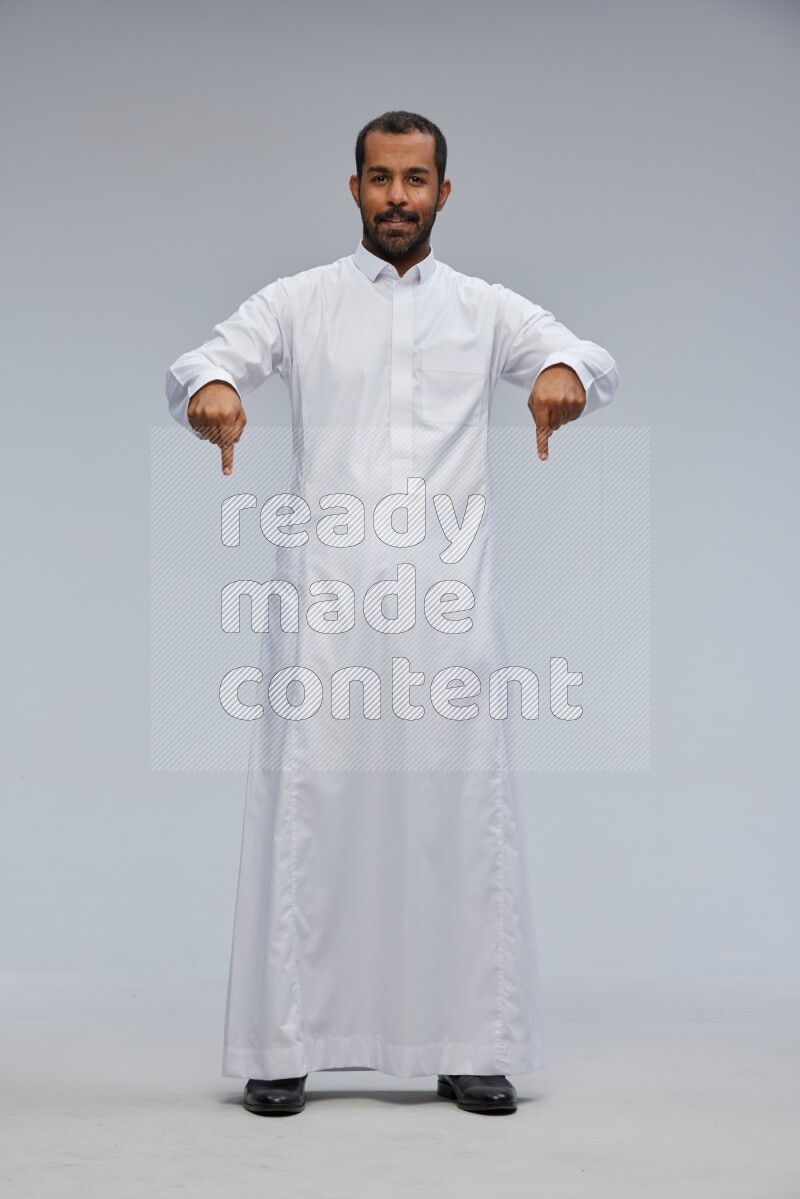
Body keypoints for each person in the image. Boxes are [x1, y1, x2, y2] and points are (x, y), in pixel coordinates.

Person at [165, 110, 619, 1117]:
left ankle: (469, 1043)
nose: (398, 196)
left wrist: (562, 376)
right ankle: (284, 1044)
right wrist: (210, 392)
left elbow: (587, 357)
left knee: (460, 810)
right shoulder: (301, 302)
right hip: (325, 601)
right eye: (380, 178)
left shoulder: (483, 309)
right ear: (355, 188)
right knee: (308, 809)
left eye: (416, 179)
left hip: (446, 608)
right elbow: (202, 359)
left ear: (444, 193)